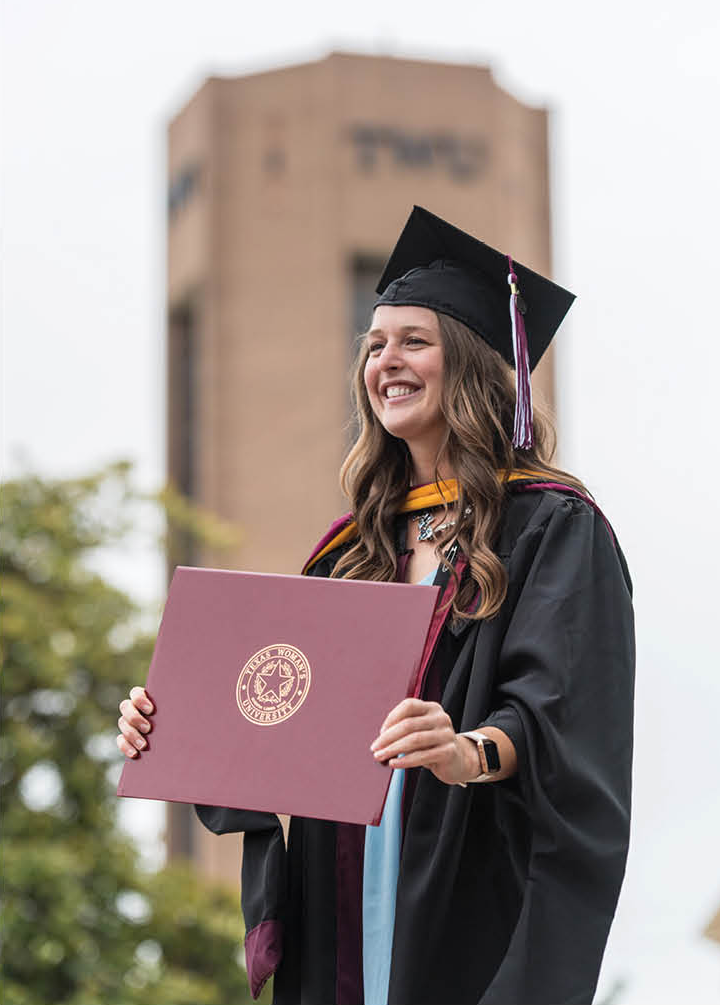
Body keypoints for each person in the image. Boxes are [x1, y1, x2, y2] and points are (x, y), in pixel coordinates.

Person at [117, 206, 635, 1005]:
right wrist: (176, 724)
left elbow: (565, 713)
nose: (384, 361)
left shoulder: (550, 527)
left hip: (462, 876)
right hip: (341, 887)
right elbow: (280, 722)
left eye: (413, 341)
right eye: (374, 344)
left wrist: (464, 751)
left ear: (470, 362)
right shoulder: (351, 551)